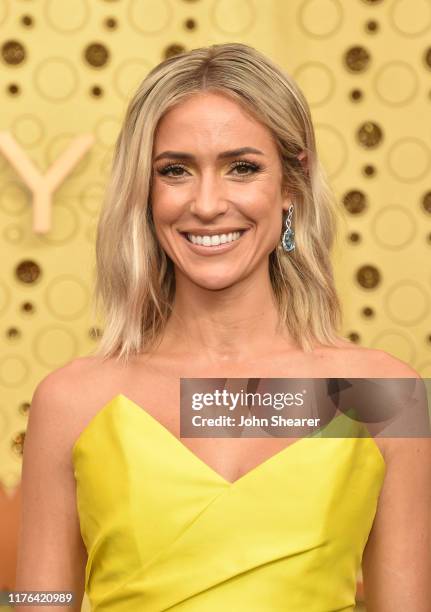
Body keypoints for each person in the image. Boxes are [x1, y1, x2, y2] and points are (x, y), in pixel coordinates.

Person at [16, 42, 431, 611]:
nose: (207, 204)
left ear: (292, 185)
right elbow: (37, 600)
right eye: (175, 171)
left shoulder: (386, 396)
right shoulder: (69, 400)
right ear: (144, 191)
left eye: (242, 168)